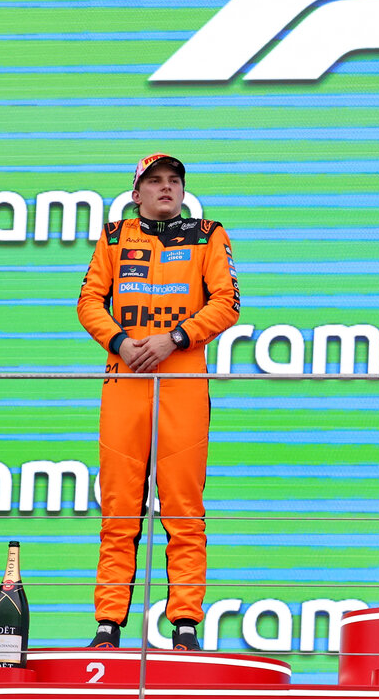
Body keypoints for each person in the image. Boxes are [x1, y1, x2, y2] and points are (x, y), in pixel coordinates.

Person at [77, 153, 239, 651]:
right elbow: (89, 302)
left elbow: (227, 302)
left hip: (183, 382)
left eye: (174, 180)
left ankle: (185, 624)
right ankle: (107, 626)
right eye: (154, 181)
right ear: (136, 194)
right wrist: (121, 343)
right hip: (124, 379)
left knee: (184, 507)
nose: (166, 187)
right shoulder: (112, 237)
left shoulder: (209, 234)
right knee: (118, 508)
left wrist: (175, 338)